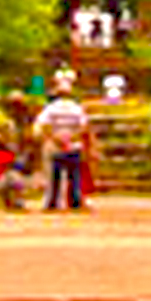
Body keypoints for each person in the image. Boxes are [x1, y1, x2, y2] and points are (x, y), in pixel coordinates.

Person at [35, 74, 93, 212]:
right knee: (74, 176)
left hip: (56, 146)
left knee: (54, 176)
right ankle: (74, 201)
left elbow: (45, 125)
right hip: (73, 145)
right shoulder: (77, 108)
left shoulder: (51, 108)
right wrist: (72, 138)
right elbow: (84, 127)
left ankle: (52, 202)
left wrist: (55, 139)